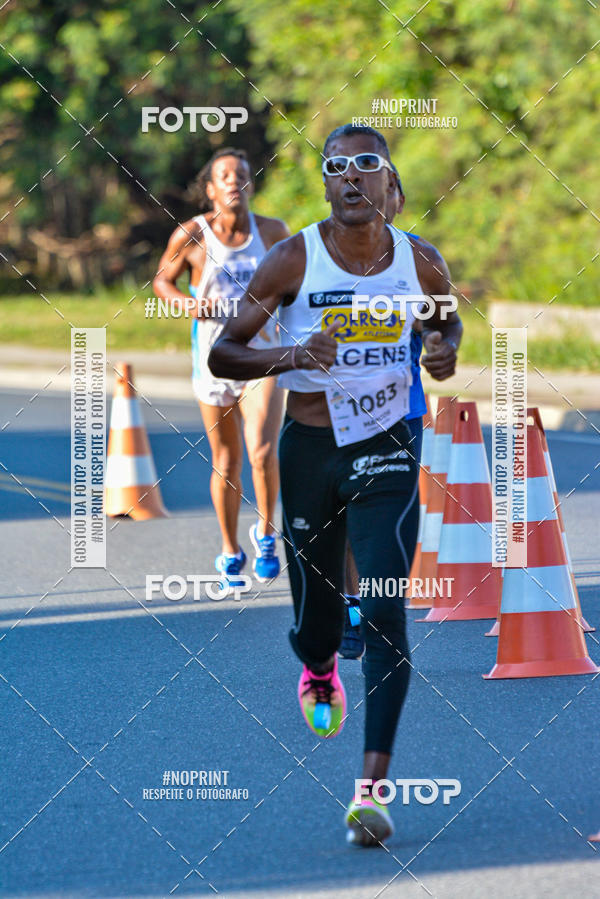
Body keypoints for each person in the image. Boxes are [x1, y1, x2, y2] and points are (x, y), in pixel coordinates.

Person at [209, 124, 462, 846]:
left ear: (392, 186)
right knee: (318, 616)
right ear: (326, 186)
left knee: (384, 606)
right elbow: (227, 352)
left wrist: (442, 353)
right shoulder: (294, 259)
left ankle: (372, 791)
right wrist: (292, 350)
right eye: (336, 168)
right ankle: (319, 663)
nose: (350, 177)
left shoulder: (422, 262)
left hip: (387, 445)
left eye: (366, 165)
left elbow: (446, 328)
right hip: (312, 447)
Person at [153, 148, 289, 589]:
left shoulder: (274, 232)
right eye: (225, 176)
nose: (235, 181)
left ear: (251, 185)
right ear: (210, 190)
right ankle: (231, 547)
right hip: (213, 360)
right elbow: (161, 281)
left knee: (263, 452)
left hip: (263, 358)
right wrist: (190, 305)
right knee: (226, 461)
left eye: (242, 175)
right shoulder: (192, 235)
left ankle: (267, 537)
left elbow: (297, 282)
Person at [339, 163, 443, 660]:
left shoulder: (418, 256)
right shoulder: (323, 255)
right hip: (337, 411)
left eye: (385, 189)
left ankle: (383, 612)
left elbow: (440, 322)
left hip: (401, 410)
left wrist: (436, 339)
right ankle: (353, 608)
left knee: (393, 522)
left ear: (398, 199)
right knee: (348, 518)